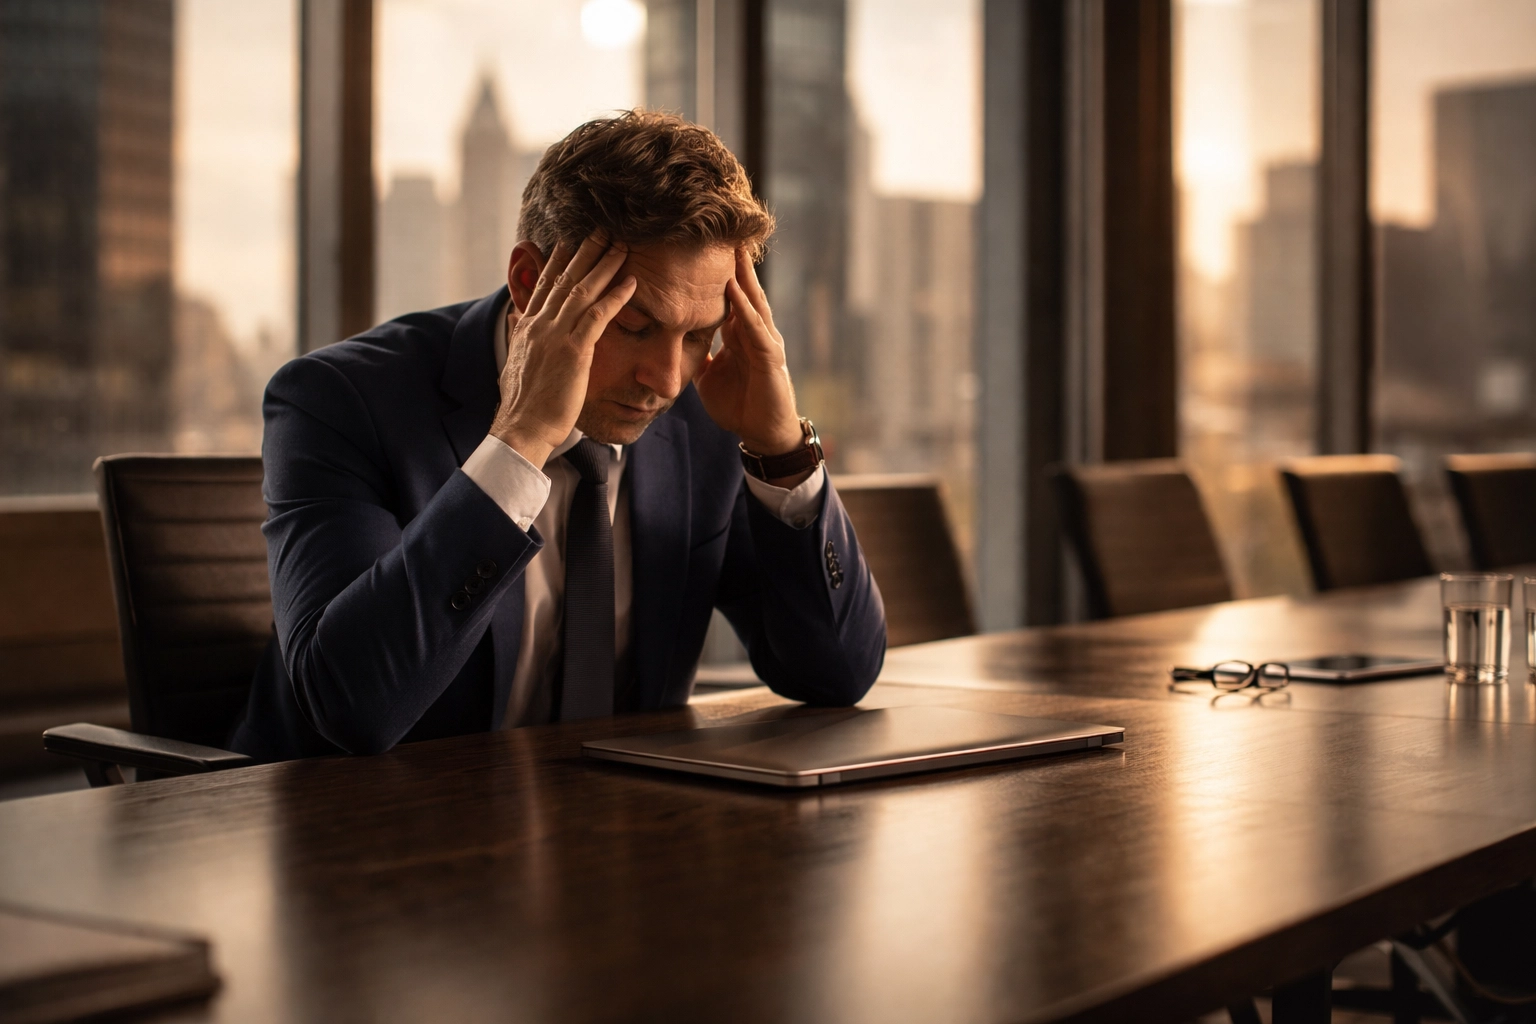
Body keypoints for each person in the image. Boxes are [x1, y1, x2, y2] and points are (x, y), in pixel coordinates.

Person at [229, 110, 887, 760]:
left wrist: (781, 452)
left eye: (697, 336)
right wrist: (519, 442)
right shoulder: (339, 400)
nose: (665, 379)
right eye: (632, 326)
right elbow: (350, 706)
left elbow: (837, 674)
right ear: (529, 283)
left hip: (620, 816)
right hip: (360, 817)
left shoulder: (705, 412)